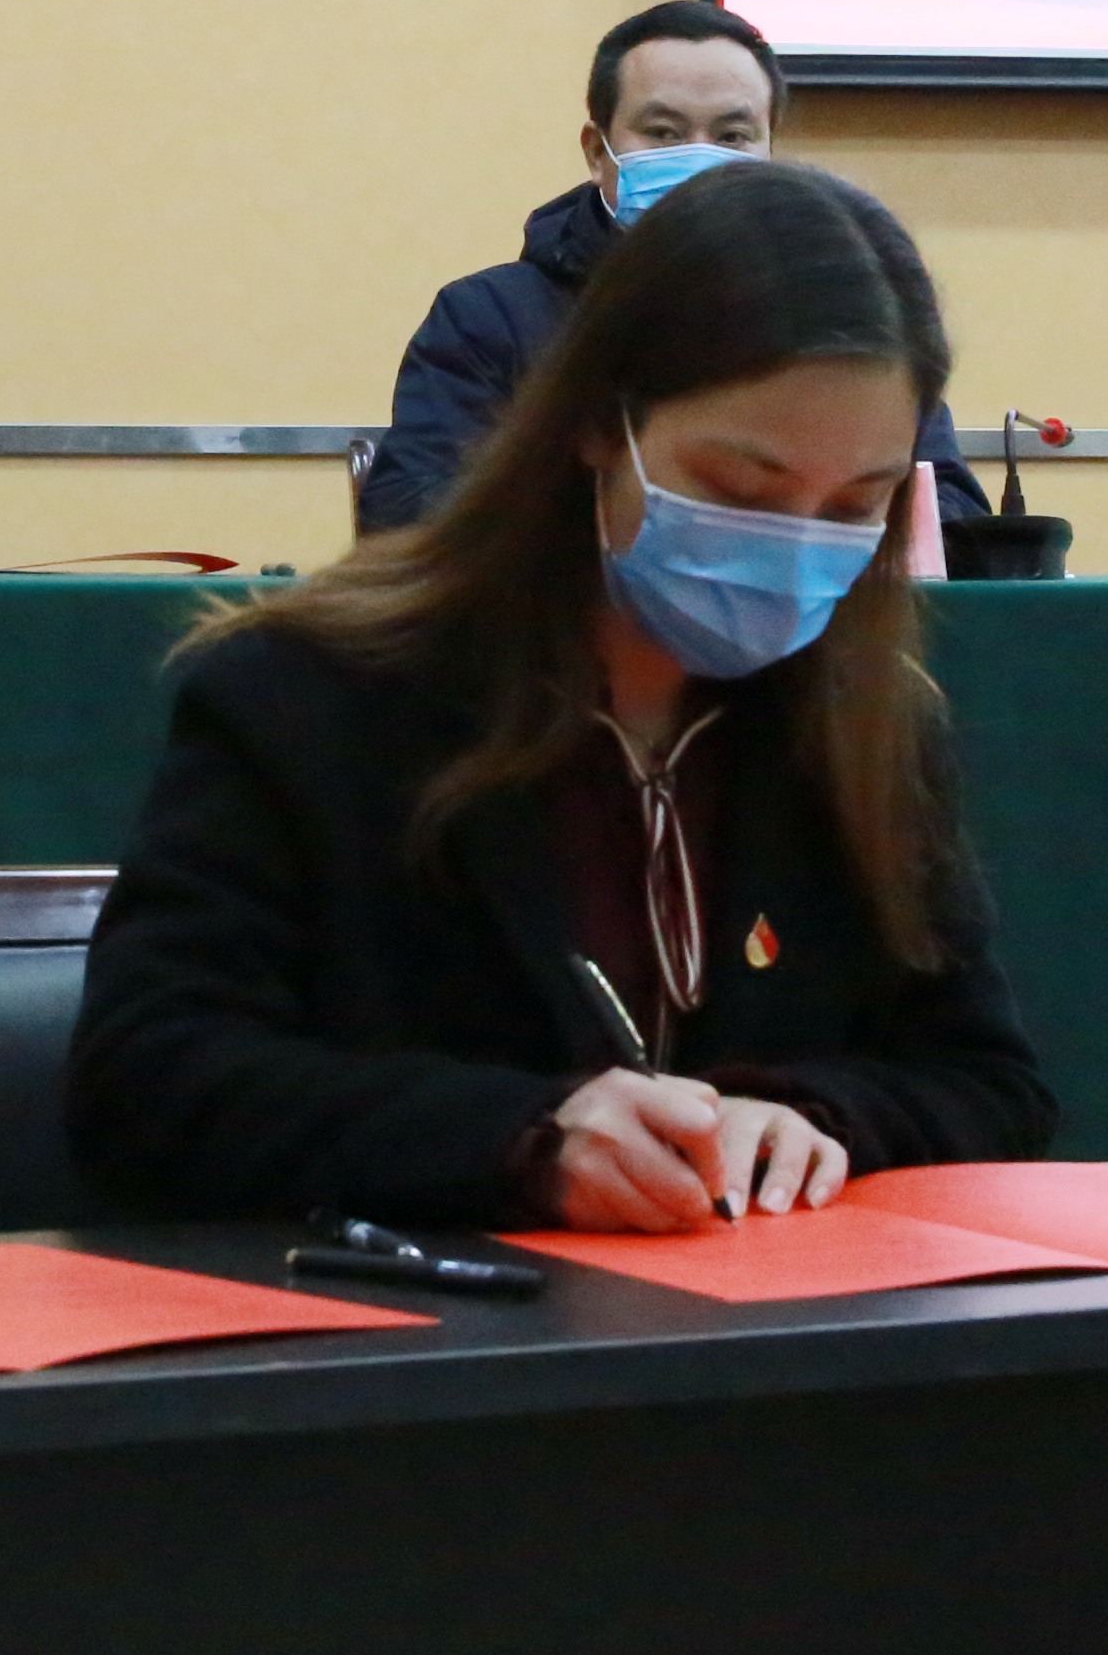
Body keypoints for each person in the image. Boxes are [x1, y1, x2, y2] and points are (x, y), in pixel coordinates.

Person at [70, 157, 1056, 1227]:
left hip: (763, 1310)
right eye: (738, 486)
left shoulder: (867, 721)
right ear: (596, 422)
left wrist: (810, 1114)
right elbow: (146, 1085)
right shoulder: (309, 697)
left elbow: (988, 1082)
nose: (793, 544)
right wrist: (524, 1137)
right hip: (427, 1313)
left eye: (855, 505)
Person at [358, 0, 991, 533]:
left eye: (732, 137)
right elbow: (408, 511)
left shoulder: (852, 314)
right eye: (662, 133)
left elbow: (949, 512)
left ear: (770, 152)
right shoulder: (490, 318)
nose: (698, 157)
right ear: (598, 151)